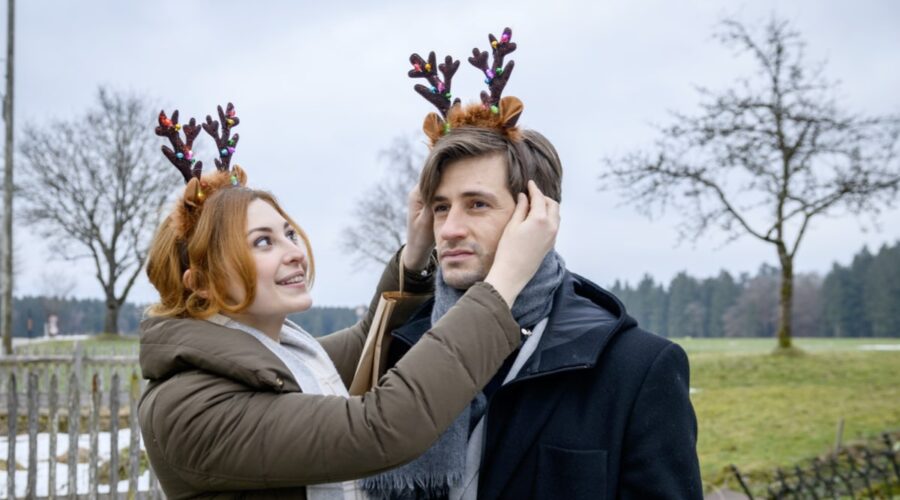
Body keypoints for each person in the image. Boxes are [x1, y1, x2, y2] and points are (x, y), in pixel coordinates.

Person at [138, 104, 560, 499]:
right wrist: (503, 283)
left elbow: (369, 342)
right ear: (201, 284)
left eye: (288, 233)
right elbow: (381, 426)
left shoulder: (290, 357)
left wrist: (415, 258)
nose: (294, 252)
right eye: (262, 242)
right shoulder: (189, 407)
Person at [365, 29, 702, 499]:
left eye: (477, 204)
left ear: (536, 213)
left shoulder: (636, 369)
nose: (450, 229)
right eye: (440, 208)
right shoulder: (403, 351)